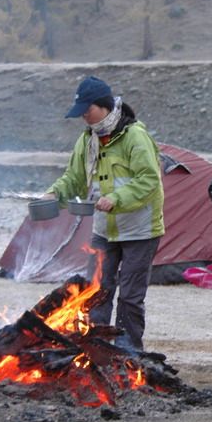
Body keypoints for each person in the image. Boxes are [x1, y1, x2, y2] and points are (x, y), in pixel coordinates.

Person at [45, 75, 164, 352]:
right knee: (96, 290)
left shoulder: (135, 136)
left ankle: (129, 352)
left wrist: (116, 198)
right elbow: (73, 178)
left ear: (104, 106)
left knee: (130, 298)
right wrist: (54, 194)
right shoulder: (87, 140)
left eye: (88, 110)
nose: (84, 116)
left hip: (140, 230)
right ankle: (97, 348)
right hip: (104, 230)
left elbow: (149, 180)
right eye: (82, 112)